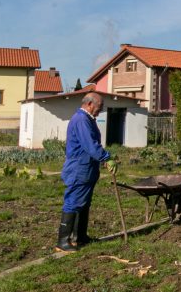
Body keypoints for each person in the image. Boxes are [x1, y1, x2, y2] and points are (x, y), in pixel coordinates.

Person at [56, 92, 115, 252]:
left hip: (87, 168)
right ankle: (63, 241)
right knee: (74, 202)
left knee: (83, 203)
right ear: (90, 104)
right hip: (79, 168)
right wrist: (105, 157)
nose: (100, 111)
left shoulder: (87, 119)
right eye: (99, 107)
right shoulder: (82, 120)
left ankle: (79, 237)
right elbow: (90, 144)